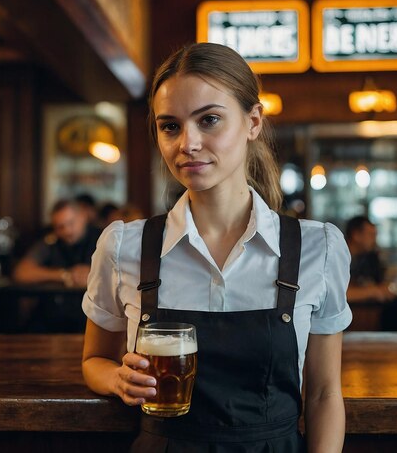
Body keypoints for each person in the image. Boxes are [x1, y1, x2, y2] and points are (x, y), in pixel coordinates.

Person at [81, 42, 352, 452]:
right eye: (169, 126)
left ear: (253, 122)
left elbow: (324, 394)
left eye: (209, 120)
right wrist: (115, 378)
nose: (187, 143)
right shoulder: (123, 245)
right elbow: (93, 361)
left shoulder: (318, 247)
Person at [13, 199, 101, 331]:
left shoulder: (102, 238)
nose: (67, 231)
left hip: (93, 322)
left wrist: (94, 275)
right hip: (53, 322)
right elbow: (21, 272)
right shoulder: (51, 242)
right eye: (60, 227)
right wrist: (64, 275)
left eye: (71, 223)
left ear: (83, 216)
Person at [345, 215, 394, 303]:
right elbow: (340, 294)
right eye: (371, 235)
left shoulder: (368, 258)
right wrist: (373, 291)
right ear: (356, 235)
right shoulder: (337, 257)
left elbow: (382, 285)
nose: (375, 240)